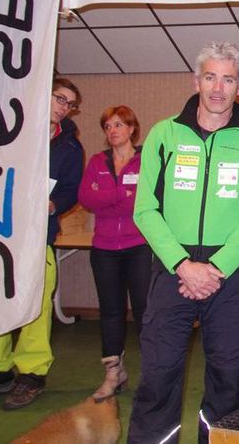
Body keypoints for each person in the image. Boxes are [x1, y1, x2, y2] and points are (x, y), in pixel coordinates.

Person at [128, 41, 239, 444]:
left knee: (226, 377)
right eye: (210, 77)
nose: (218, 87)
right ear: (196, 81)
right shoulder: (164, 134)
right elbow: (145, 209)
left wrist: (218, 267)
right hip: (172, 269)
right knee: (158, 374)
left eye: (228, 79)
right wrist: (182, 264)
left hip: (227, 274)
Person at [0, 77, 84, 410]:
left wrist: (54, 205)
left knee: (36, 307)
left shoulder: (70, 148)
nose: (64, 107)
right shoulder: (7, 131)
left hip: (37, 239)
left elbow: (71, 190)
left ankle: (31, 375)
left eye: (70, 104)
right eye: (60, 98)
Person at [77, 105, 151, 400]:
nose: (113, 131)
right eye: (108, 126)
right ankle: (113, 373)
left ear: (132, 128)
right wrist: (121, 195)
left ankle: (151, 373)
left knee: (146, 311)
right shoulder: (97, 161)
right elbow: (85, 198)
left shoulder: (145, 161)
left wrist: (106, 198)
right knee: (110, 311)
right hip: (104, 248)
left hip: (139, 247)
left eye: (119, 125)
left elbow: (145, 201)